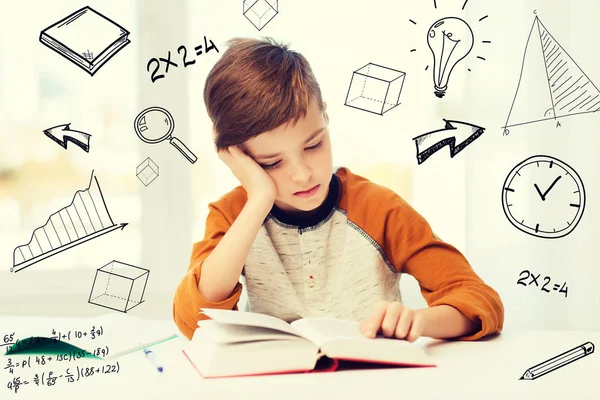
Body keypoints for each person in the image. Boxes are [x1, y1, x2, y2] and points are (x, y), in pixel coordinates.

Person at [172, 37, 504, 342]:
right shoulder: (233, 216)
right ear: (238, 158)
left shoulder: (379, 208)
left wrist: (418, 322)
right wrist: (259, 199)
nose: (302, 175)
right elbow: (193, 320)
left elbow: (479, 300)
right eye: (272, 163)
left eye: (313, 145)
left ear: (326, 116)